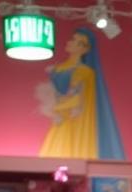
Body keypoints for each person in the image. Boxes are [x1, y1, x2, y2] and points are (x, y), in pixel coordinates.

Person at [38, 28, 125, 160]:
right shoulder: (57, 68)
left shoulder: (84, 72)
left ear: (84, 48)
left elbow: (77, 100)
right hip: (60, 120)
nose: (69, 42)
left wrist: (54, 107)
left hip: (69, 123)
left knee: (62, 155)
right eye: (72, 39)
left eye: (75, 41)